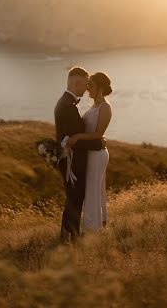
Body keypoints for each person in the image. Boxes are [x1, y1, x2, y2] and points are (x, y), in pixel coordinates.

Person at [54, 66, 106, 243]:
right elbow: (76, 140)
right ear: (76, 83)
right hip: (73, 162)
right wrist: (99, 143)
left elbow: (76, 136)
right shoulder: (68, 106)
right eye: (85, 84)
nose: (87, 88)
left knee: (73, 198)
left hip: (72, 160)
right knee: (75, 198)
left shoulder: (65, 103)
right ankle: (71, 237)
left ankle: (67, 235)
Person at [66, 71, 112, 232]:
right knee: (96, 189)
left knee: (92, 189)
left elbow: (98, 134)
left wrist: (78, 136)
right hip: (92, 153)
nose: (87, 88)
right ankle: (100, 223)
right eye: (87, 85)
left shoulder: (105, 107)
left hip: (98, 155)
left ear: (100, 87)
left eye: (90, 85)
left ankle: (91, 229)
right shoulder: (94, 106)